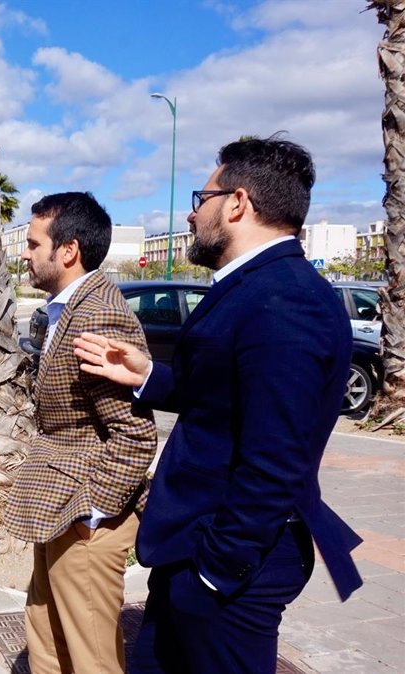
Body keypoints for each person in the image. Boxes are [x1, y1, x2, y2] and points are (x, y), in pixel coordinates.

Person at [73, 136, 363, 674]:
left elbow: (275, 458)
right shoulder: (254, 286)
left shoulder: (285, 299)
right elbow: (224, 396)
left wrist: (214, 573)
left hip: (228, 566)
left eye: (201, 198)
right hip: (195, 549)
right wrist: (146, 376)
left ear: (237, 203)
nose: (191, 213)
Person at [1, 192, 157, 674]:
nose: (25, 254)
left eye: (33, 244)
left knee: (91, 659)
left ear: (68, 250)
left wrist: (93, 512)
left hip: (84, 519)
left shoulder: (98, 315)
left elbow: (134, 434)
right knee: (48, 640)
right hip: (58, 508)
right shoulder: (67, 308)